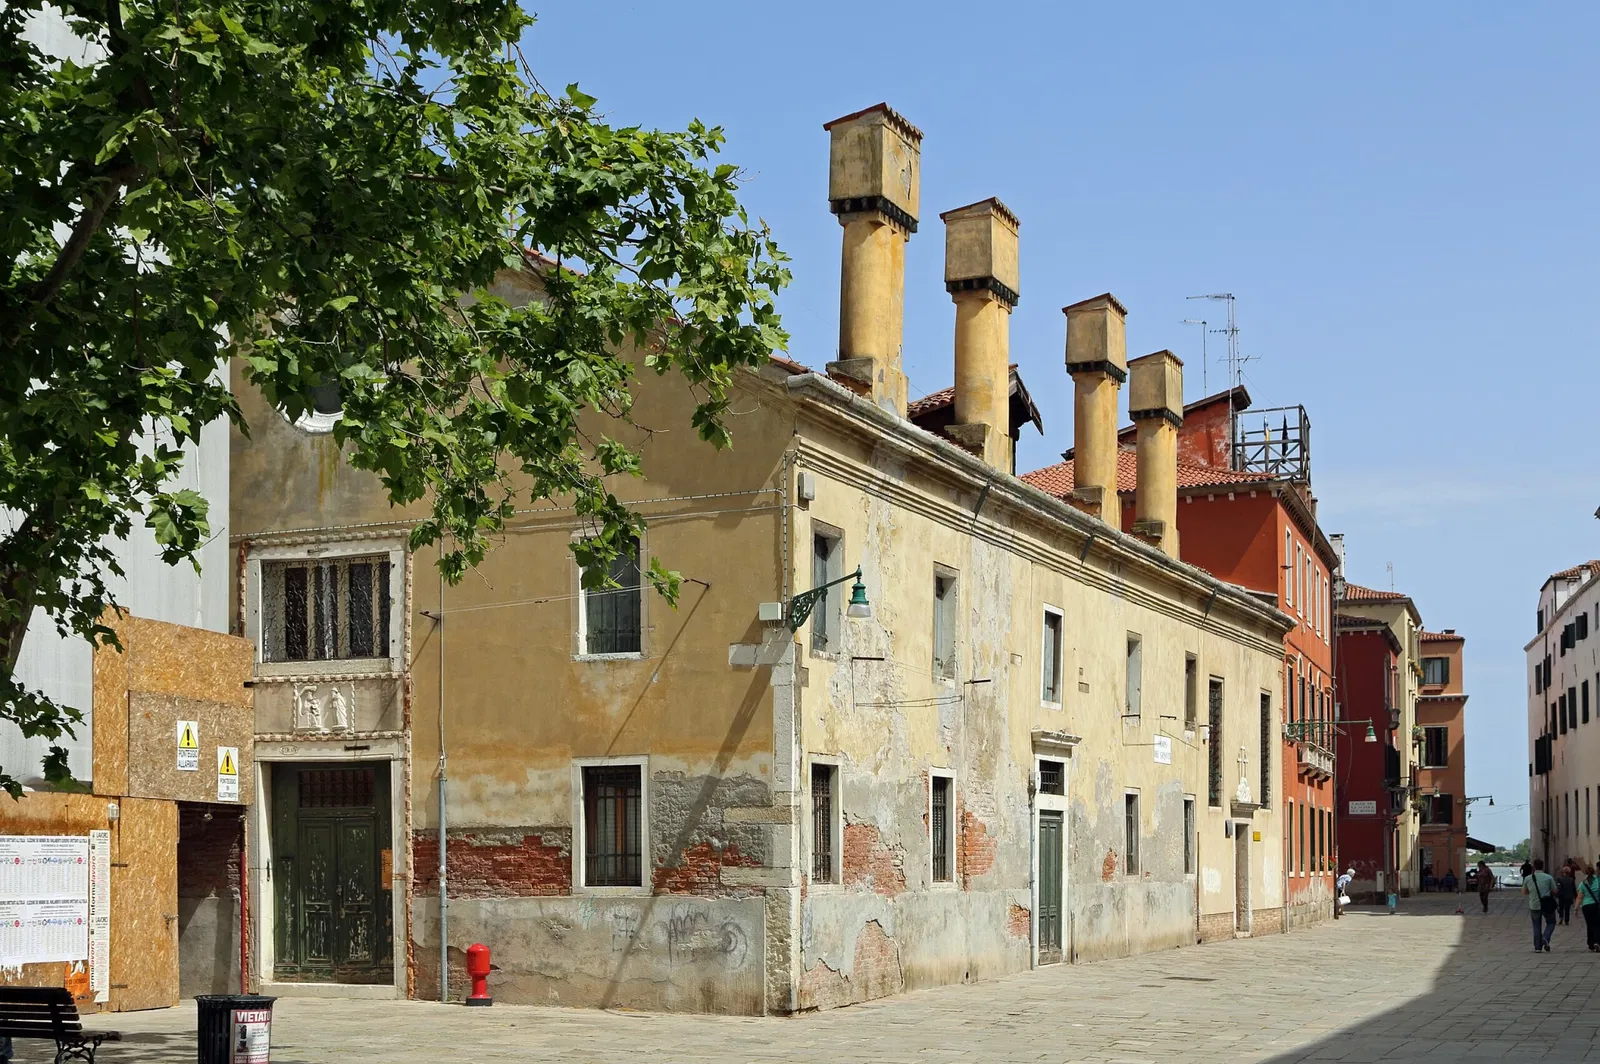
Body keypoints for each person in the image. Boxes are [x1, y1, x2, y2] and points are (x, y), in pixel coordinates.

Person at [1524, 858, 1558, 951]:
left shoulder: (1528, 878)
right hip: (1547, 904)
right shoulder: (1548, 877)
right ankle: (1545, 937)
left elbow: (1524, 892)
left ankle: (1537, 947)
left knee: (1536, 925)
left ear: (1533, 867)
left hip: (1534, 904)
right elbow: (1555, 891)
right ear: (1543, 866)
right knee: (1551, 922)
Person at [1578, 860, 1600, 952]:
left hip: (1586, 906)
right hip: (1596, 905)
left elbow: (1579, 897)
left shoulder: (1582, 883)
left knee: (1589, 924)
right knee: (1597, 924)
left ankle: (1590, 943)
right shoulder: (1598, 881)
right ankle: (1597, 942)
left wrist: (1575, 908)